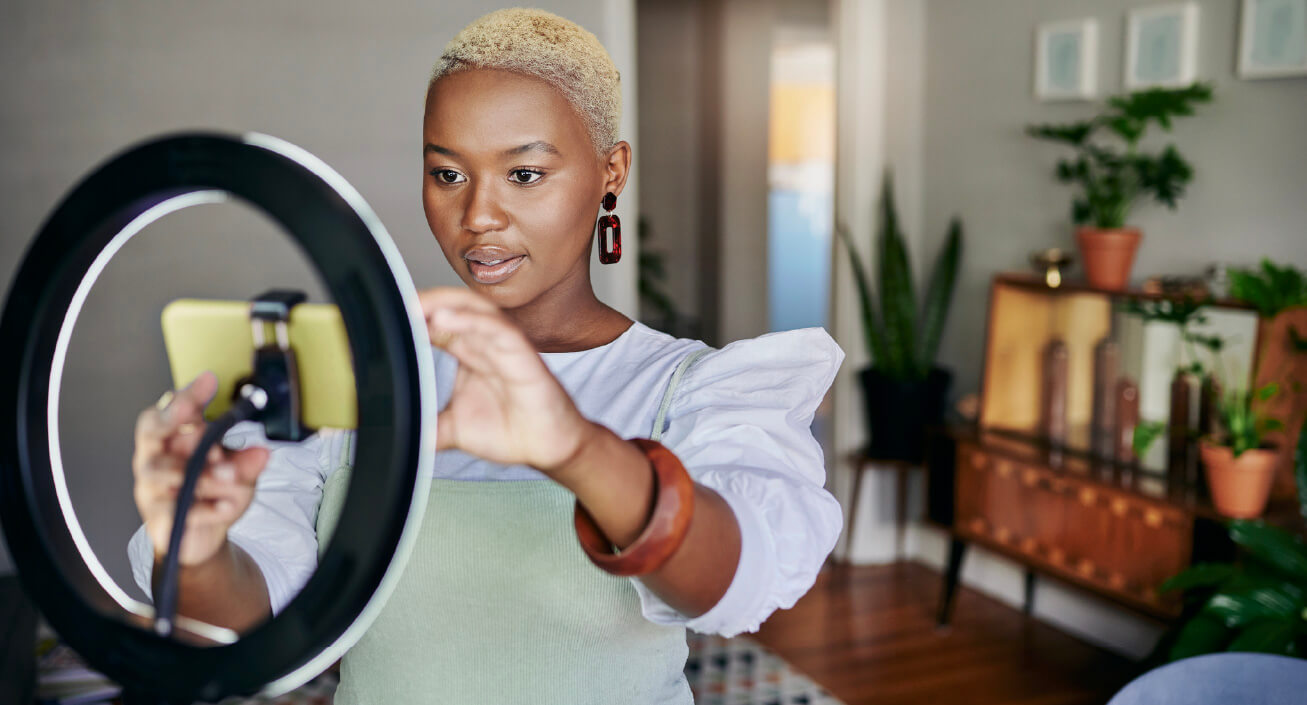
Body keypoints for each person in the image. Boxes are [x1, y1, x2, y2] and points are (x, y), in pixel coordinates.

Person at [128, 8, 844, 704]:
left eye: (524, 174)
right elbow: (247, 619)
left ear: (610, 172)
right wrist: (194, 546)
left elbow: (732, 583)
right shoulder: (358, 381)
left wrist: (572, 446)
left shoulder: (690, 388)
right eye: (447, 173)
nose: (477, 216)